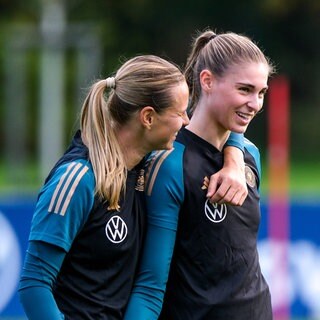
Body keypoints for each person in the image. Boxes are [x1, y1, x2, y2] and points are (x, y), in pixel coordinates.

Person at [18, 54, 247, 320]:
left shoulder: (145, 166)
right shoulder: (78, 179)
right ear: (148, 118)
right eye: (179, 113)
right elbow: (34, 285)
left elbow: (224, 121)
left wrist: (234, 159)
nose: (186, 121)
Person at [124, 30, 275, 320]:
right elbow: (150, 285)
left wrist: (233, 155)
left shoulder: (249, 155)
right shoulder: (169, 163)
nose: (255, 104)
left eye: (261, 93)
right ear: (207, 81)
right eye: (244, 90)